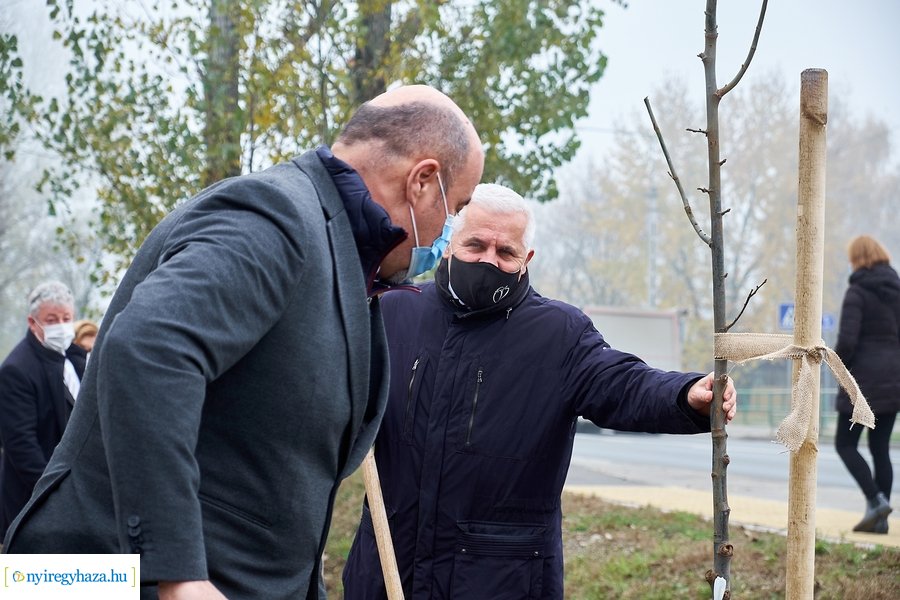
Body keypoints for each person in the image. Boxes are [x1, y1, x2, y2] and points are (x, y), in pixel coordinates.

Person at [2, 84, 485, 600]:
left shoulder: (347, 264)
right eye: (456, 207)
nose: (449, 232)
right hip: (104, 579)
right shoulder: (275, 215)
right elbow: (149, 350)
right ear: (423, 181)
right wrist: (179, 572)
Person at [341, 183, 737, 600]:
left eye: (505, 252)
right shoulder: (390, 313)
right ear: (447, 243)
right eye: (475, 245)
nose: (488, 260)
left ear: (526, 259)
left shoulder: (558, 335)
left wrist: (686, 394)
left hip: (501, 582)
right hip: (384, 572)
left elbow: (623, 383)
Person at [0, 280, 86, 539]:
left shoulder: (77, 358)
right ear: (32, 322)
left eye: (66, 318)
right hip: (35, 500)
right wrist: (56, 494)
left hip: (80, 496)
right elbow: (21, 445)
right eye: (51, 319)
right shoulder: (16, 370)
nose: (61, 325)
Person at [833, 235, 899, 534]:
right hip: (894, 380)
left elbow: (847, 341)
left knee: (845, 444)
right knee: (880, 447)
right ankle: (880, 521)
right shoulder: (897, 292)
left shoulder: (857, 292)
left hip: (863, 383)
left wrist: (837, 368)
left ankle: (875, 500)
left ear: (857, 259)